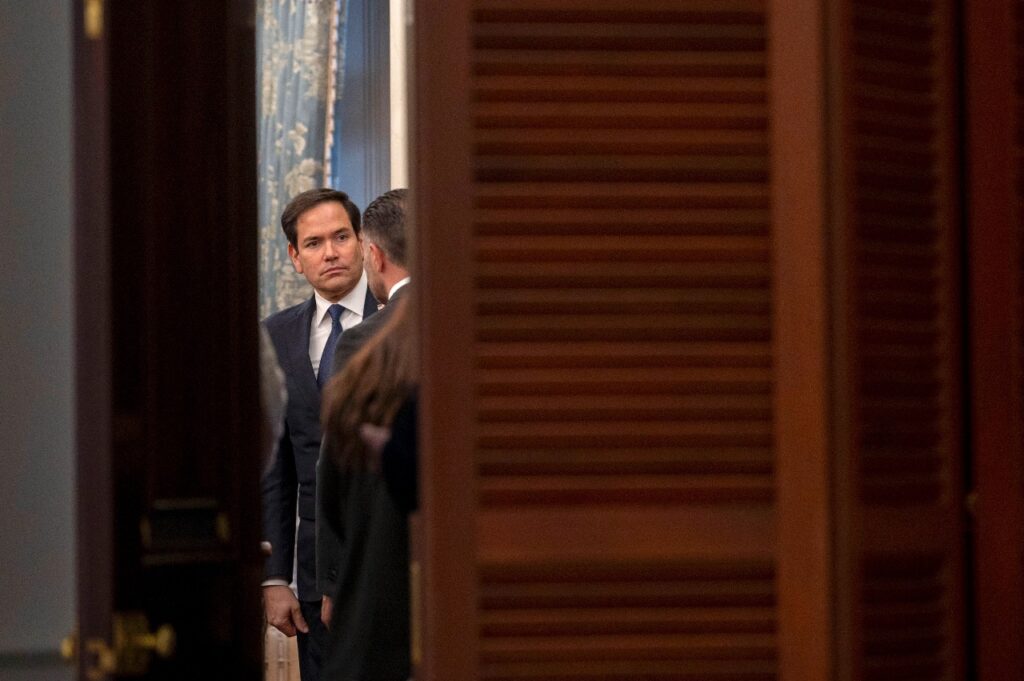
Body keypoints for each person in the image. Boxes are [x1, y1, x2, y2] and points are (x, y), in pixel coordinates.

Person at [261, 187, 379, 681]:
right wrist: (274, 578)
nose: (329, 253)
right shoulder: (276, 335)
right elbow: (276, 468)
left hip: (383, 563)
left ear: (363, 243)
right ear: (294, 257)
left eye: (340, 237)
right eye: (313, 243)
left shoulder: (399, 320)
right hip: (311, 578)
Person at [317, 188, 415, 680]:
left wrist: (335, 579)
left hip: (383, 576)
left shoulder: (362, 342)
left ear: (373, 255)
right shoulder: (474, 322)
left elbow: (334, 474)